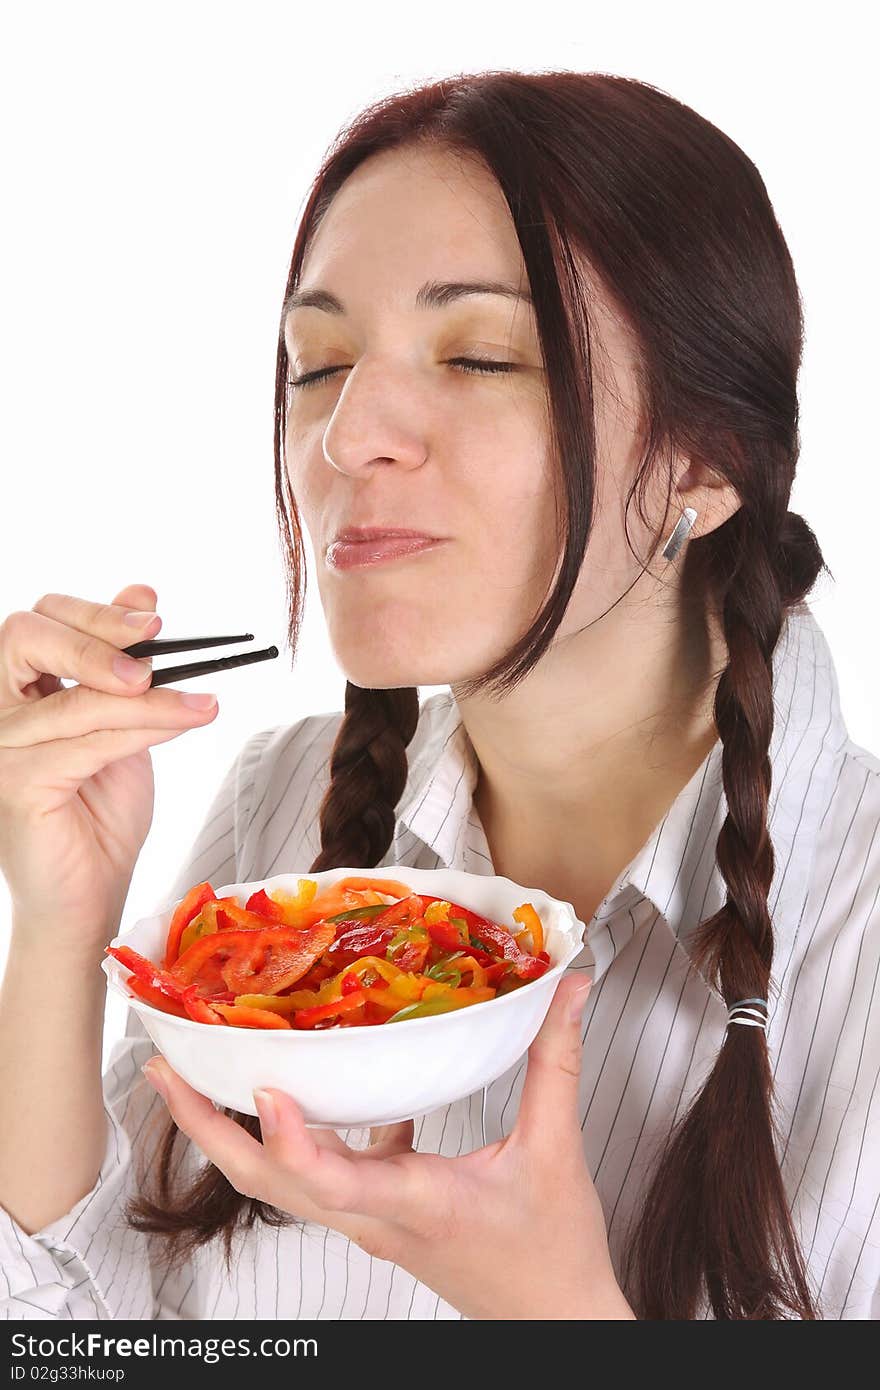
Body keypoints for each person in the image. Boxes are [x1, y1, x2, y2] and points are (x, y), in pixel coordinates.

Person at [1, 70, 878, 1322]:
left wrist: (555, 1312)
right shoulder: (284, 809)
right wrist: (54, 928)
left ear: (705, 461)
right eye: (318, 364)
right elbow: (72, 1342)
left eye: (476, 355)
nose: (349, 435)